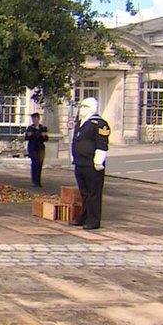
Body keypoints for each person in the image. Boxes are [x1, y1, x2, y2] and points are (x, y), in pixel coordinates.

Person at [70, 97, 109, 229]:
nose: (81, 109)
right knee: (84, 192)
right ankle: (85, 215)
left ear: (92, 108)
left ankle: (94, 220)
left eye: (85, 107)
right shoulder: (80, 123)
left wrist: (99, 160)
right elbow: (75, 141)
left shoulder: (99, 124)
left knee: (94, 193)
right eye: (81, 106)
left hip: (92, 164)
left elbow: (102, 144)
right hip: (80, 162)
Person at [24, 112, 49, 187]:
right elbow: (27, 137)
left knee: (40, 164)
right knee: (35, 163)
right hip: (32, 147)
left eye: (35, 119)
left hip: (40, 148)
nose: (34, 120)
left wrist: (41, 135)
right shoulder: (30, 128)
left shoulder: (43, 128)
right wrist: (35, 134)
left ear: (38, 119)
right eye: (32, 119)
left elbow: (46, 138)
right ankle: (34, 181)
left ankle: (38, 181)